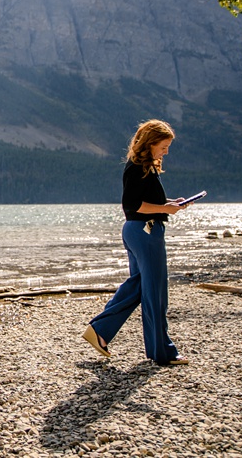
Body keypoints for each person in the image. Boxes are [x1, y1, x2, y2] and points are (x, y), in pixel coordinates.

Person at [82, 119, 193, 366]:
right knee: (155, 292)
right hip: (144, 231)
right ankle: (163, 352)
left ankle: (99, 331)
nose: (166, 152)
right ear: (150, 142)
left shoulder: (146, 167)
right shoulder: (136, 167)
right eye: (163, 146)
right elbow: (133, 205)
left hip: (140, 231)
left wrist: (172, 204)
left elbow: (148, 200)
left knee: (140, 286)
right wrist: (165, 208)